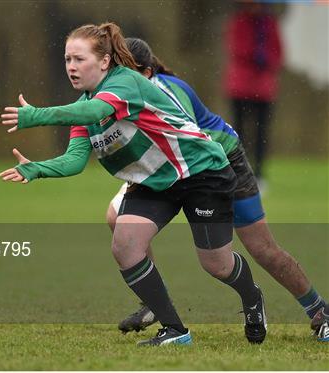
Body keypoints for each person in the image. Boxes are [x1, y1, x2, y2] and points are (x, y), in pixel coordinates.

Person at [0, 22, 267, 346]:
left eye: (79, 59)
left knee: (217, 264)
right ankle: (175, 330)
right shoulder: (85, 106)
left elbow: (98, 109)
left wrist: (36, 116)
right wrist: (36, 169)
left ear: (104, 61)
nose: (71, 66)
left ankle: (252, 298)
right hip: (155, 182)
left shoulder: (124, 83)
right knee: (125, 244)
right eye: (67, 59)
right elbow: (74, 160)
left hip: (200, 172)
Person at [107, 38, 328, 343]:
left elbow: (186, 138)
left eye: (124, 73)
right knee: (115, 216)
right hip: (174, 167)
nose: (116, 82)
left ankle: (320, 312)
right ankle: (153, 305)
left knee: (262, 249)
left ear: (146, 73)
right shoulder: (120, 94)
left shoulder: (166, 90)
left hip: (220, 162)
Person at [223, 2, 283, 182]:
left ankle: (258, 172)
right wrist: (255, 54)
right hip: (241, 87)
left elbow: (278, 52)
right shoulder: (239, 22)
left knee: (261, 133)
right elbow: (237, 49)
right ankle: (238, 169)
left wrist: (267, 58)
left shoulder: (270, 23)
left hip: (263, 88)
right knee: (239, 131)